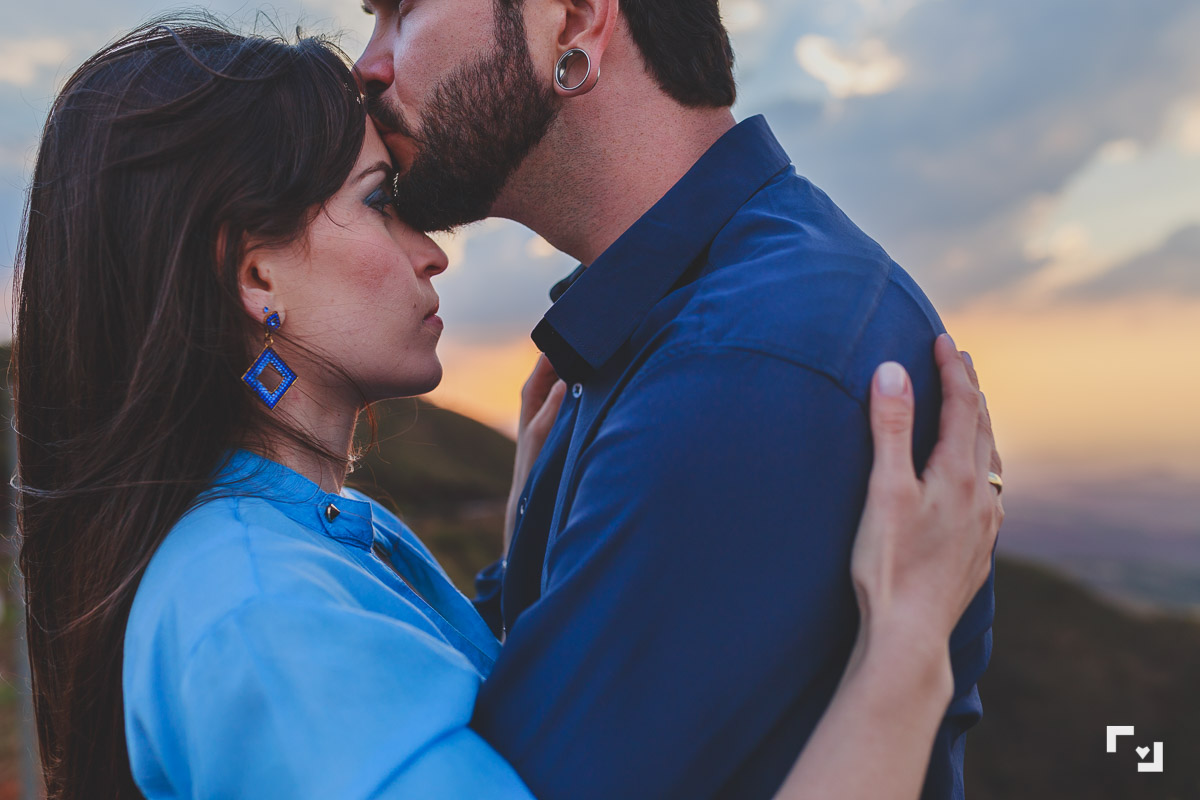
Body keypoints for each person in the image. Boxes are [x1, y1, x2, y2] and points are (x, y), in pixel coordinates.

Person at [11, 18, 1002, 800]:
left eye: (403, 8)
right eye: (379, 200)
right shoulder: (261, 609)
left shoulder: (317, 544)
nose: (430, 251)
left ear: (575, 20)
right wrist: (905, 663)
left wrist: (536, 564)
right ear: (256, 273)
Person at [354, 1, 1001, 798]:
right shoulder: (674, 320)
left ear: (574, 21)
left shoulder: (746, 361)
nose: (367, 66)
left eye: (403, 10)